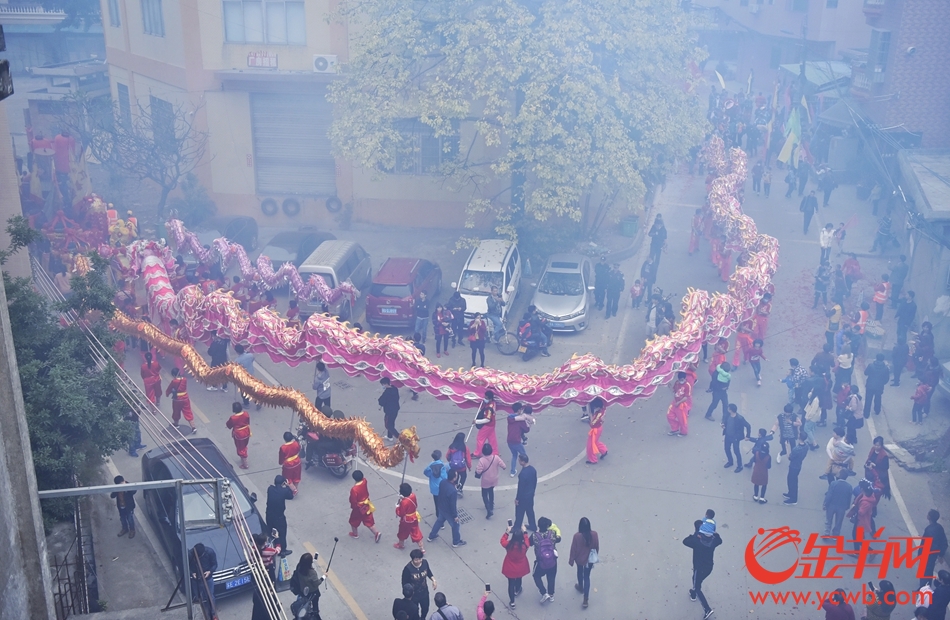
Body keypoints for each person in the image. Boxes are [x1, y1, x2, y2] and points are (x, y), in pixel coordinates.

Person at [683, 518, 721, 620]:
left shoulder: (696, 541)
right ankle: (693, 593)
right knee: (696, 581)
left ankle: (707, 609)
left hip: (699, 568)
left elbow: (685, 541)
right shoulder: (714, 541)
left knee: (697, 585)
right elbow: (719, 540)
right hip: (709, 567)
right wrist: (715, 534)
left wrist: (695, 535)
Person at [427, 470, 466, 547]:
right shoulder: (453, 491)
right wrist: (455, 516)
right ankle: (456, 542)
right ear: (454, 478)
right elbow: (453, 505)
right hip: (448, 511)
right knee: (455, 526)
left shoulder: (443, 482)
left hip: (441, 507)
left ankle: (431, 536)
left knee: (439, 521)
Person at [568, 517, 599, 608]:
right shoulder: (594, 534)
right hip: (589, 560)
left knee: (579, 572)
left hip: (580, 560)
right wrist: (594, 557)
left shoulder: (577, 536)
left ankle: (580, 586)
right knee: (587, 577)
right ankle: (585, 599)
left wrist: (571, 560)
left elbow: (573, 549)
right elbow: (596, 546)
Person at [532, 517, 561, 604]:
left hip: (541, 562)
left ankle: (543, 592)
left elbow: (529, 543)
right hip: (552, 560)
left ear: (538, 526)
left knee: (536, 576)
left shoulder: (534, 536)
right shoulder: (552, 533)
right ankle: (551, 595)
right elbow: (559, 539)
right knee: (551, 577)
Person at [501, 525, 531, 609]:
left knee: (510, 584)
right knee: (519, 578)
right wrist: (525, 531)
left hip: (510, 567)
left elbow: (502, 540)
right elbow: (527, 540)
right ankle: (517, 590)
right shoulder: (524, 546)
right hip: (521, 566)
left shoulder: (509, 545)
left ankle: (512, 602)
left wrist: (507, 532)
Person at [402, 549, 436, 620]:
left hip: (424, 593)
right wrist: (408, 595)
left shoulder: (425, 563)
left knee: (425, 608)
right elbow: (404, 583)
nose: (418, 561)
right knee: (415, 611)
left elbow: (428, 572)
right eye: (416, 560)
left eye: (420, 559)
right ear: (412, 560)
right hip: (413, 595)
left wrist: (433, 580)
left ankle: (423, 618)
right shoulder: (408, 569)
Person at [348, 470, 381, 542]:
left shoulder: (354, 489)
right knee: (368, 520)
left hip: (358, 507)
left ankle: (355, 534)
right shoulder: (365, 481)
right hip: (366, 504)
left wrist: (353, 507)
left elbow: (353, 500)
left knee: (353, 520)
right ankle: (376, 532)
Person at [475, 442, 505, 519]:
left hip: (485, 480)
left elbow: (479, 471)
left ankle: (488, 509)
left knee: (484, 494)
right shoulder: (496, 458)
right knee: (491, 491)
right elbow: (503, 465)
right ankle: (491, 505)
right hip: (494, 478)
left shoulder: (482, 460)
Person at [289, 553, 325, 618]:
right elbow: (317, 583)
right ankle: (315, 613)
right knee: (315, 604)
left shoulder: (299, 567)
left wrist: (313, 560)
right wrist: (324, 576)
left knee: (305, 602)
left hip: (303, 590)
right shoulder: (312, 573)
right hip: (313, 592)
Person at [266, 475, 294, 556]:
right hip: (279, 517)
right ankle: (283, 550)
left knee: (271, 531)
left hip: (269, 516)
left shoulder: (270, 489)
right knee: (282, 533)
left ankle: (274, 545)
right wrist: (288, 486)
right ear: (283, 483)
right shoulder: (284, 491)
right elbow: (291, 496)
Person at [189, 543, 218, 619]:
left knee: (211, 596)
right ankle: (203, 612)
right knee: (198, 597)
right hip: (196, 580)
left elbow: (215, 564)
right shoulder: (190, 555)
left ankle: (213, 613)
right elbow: (185, 567)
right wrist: (192, 573)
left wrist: (210, 571)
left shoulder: (210, 552)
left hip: (207, 579)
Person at [395, 483, 425, 552]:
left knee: (402, 532)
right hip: (414, 517)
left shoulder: (403, 502)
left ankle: (401, 544)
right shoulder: (413, 495)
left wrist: (397, 508)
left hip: (406, 520)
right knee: (416, 531)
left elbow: (401, 513)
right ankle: (422, 548)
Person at [922, 510, 948, 587]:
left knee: (925, 571)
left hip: (928, 554)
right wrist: (940, 554)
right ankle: (925, 586)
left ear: (929, 517)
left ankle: (924, 587)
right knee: (928, 571)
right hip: (933, 555)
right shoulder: (939, 528)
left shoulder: (929, 530)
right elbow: (944, 542)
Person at [823, 470, 853, 536]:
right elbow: (849, 497)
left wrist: (825, 504)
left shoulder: (833, 483)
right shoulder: (849, 486)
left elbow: (829, 495)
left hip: (831, 505)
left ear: (839, 475)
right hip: (842, 507)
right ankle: (836, 534)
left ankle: (827, 532)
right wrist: (847, 506)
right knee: (839, 521)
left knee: (828, 520)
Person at [722, 404, 751, 472]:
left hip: (735, 438)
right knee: (726, 449)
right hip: (728, 435)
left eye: (728, 408)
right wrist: (723, 424)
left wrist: (748, 436)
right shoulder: (728, 415)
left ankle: (740, 466)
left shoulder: (740, 418)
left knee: (736, 451)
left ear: (731, 410)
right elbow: (725, 420)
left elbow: (748, 426)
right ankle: (730, 461)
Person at [506, 404, 533, 477]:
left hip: (509, 440)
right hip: (517, 441)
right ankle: (526, 469)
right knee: (523, 455)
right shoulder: (521, 420)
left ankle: (512, 471)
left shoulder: (510, 418)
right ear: (519, 410)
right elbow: (526, 430)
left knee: (514, 455)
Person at [783, 434, 809, 505]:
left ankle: (793, 499)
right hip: (798, 465)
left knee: (792, 481)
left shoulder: (797, 449)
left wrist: (787, 447)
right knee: (793, 481)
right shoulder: (806, 446)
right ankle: (791, 493)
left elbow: (789, 457)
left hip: (793, 466)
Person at [514, 453, 537, 532]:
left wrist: (517, 499)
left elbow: (520, 488)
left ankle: (517, 527)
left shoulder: (523, 474)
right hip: (530, 495)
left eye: (519, 460)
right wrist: (533, 491)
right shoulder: (533, 470)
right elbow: (535, 482)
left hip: (523, 497)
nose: (519, 461)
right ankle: (533, 525)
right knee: (530, 511)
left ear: (523, 462)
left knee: (519, 512)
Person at [225, 402, 251, 469]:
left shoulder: (233, 418)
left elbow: (229, 425)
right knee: (244, 445)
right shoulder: (246, 414)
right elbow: (248, 422)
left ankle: (245, 464)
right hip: (246, 431)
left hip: (239, 434)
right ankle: (243, 457)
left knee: (240, 448)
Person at [423, 450, 448, 520]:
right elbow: (445, 477)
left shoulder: (431, 466)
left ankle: (439, 517)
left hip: (434, 489)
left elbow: (425, 472)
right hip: (442, 488)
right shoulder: (442, 466)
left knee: (437, 504)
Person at [233, 344, 260, 409]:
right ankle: (257, 401)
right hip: (252, 375)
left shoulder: (237, 360)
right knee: (252, 390)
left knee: (244, 391)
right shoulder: (250, 355)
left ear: (237, 352)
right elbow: (252, 359)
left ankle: (246, 403)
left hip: (244, 378)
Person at [667, 371, 692, 436]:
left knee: (682, 420)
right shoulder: (677, 383)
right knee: (669, 416)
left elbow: (686, 397)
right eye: (680, 379)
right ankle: (675, 428)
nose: (681, 381)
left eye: (682, 380)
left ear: (685, 378)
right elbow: (674, 391)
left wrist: (678, 403)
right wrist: (669, 385)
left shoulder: (687, 385)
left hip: (682, 404)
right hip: (675, 402)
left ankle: (683, 432)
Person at [474, 390, 499, 456]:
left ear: (490, 399)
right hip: (492, 424)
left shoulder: (489, 408)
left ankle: (478, 453)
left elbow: (487, 419)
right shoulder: (493, 403)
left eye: (486, 398)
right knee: (492, 438)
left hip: (487, 425)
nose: (485, 399)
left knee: (480, 438)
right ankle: (495, 452)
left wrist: (476, 421)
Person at [585, 396, 608, 464]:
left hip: (595, 429)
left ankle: (593, 459)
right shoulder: (602, 410)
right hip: (598, 428)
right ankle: (603, 450)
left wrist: (590, 418)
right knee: (595, 442)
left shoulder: (598, 414)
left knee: (590, 445)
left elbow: (592, 424)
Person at [378, 377, 401, 441]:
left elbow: (381, 401)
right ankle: (389, 436)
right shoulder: (395, 389)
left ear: (385, 384)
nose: (382, 386)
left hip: (389, 411)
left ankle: (400, 438)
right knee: (392, 422)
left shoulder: (387, 393)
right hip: (395, 409)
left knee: (388, 425)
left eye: (382, 384)